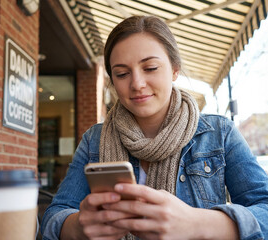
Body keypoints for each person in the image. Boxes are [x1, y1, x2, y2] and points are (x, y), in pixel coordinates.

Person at [41, 15, 268, 240]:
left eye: (150, 68)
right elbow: (54, 215)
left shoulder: (219, 133)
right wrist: (78, 228)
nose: (137, 84)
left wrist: (198, 223)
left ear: (175, 69)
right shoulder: (94, 140)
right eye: (122, 73)